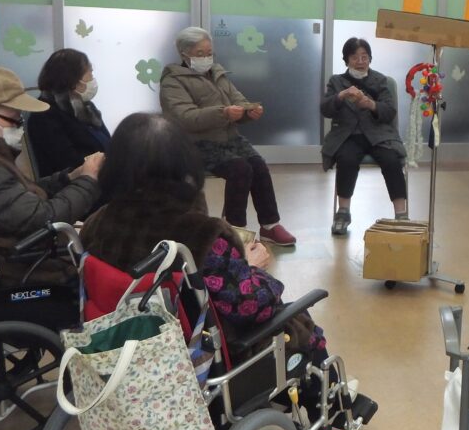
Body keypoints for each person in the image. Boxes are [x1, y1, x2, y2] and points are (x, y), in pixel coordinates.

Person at [80, 113, 318, 356]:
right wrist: (251, 267)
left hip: (123, 349)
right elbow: (252, 308)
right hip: (201, 355)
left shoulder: (96, 223)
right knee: (304, 326)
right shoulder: (203, 237)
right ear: (185, 163)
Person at [0, 62, 103, 285]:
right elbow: (40, 219)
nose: (20, 127)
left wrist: (69, 178)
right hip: (33, 273)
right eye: (15, 120)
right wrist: (88, 181)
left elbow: (18, 196)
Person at [160, 26, 295, 246]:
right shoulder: (173, 81)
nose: (206, 58)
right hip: (196, 144)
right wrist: (223, 113)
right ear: (184, 54)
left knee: (258, 166)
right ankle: (233, 231)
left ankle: (270, 225)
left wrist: (248, 111)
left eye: (209, 53)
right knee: (240, 170)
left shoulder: (217, 73)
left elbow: (237, 99)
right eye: (200, 54)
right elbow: (185, 117)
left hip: (230, 138)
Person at [321, 38, 407, 236]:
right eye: (354, 57)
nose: (360, 61)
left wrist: (371, 104)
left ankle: (401, 214)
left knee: (391, 160)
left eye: (364, 57)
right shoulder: (336, 81)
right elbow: (325, 109)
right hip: (348, 134)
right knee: (346, 159)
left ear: (370, 58)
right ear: (346, 60)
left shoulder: (380, 80)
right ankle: (343, 213)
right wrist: (341, 96)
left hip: (378, 135)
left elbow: (389, 112)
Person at [27, 48, 111, 177]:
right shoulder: (44, 115)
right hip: (76, 184)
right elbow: (67, 163)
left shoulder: (87, 106)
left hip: (103, 176)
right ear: (73, 79)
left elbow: (108, 144)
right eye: (89, 72)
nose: (92, 78)